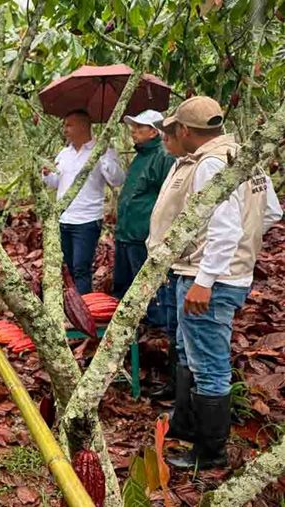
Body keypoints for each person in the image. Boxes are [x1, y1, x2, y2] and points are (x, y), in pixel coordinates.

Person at [150, 97, 283, 470]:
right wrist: (243, 250)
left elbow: (224, 229)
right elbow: (270, 212)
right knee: (191, 351)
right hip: (219, 273)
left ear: (185, 130)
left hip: (207, 278)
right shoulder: (242, 157)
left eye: (173, 129)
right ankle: (186, 425)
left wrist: (206, 278)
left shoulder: (210, 164)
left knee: (209, 365)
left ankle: (209, 453)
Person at [43, 110, 125, 294]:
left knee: (81, 267)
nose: (65, 129)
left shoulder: (103, 150)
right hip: (63, 218)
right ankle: (70, 303)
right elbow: (56, 183)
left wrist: (102, 156)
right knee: (67, 267)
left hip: (87, 220)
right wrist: (47, 174)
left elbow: (117, 179)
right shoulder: (64, 153)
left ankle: (84, 306)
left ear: (83, 126)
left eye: (69, 125)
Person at [146, 122, 191, 401]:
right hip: (169, 260)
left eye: (167, 136)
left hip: (186, 262)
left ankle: (185, 403)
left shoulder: (204, 167)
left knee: (186, 334)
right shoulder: (177, 164)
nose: (164, 141)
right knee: (175, 328)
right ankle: (175, 388)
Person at [113, 110, 175, 304]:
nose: (133, 131)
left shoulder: (163, 156)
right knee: (123, 288)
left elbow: (168, 198)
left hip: (143, 235)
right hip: (126, 232)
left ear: (154, 131)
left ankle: (151, 321)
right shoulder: (140, 155)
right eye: (133, 126)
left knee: (144, 290)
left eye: (139, 127)